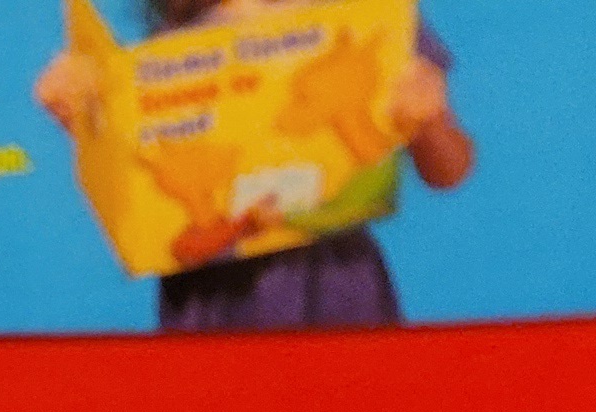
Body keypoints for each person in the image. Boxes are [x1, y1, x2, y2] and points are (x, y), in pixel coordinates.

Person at [37, 7, 471, 330]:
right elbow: (141, 195)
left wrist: (430, 121)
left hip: (339, 289)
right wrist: (87, 121)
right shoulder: (171, 49)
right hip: (210, 303)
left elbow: (449, 170)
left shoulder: (366, 21)